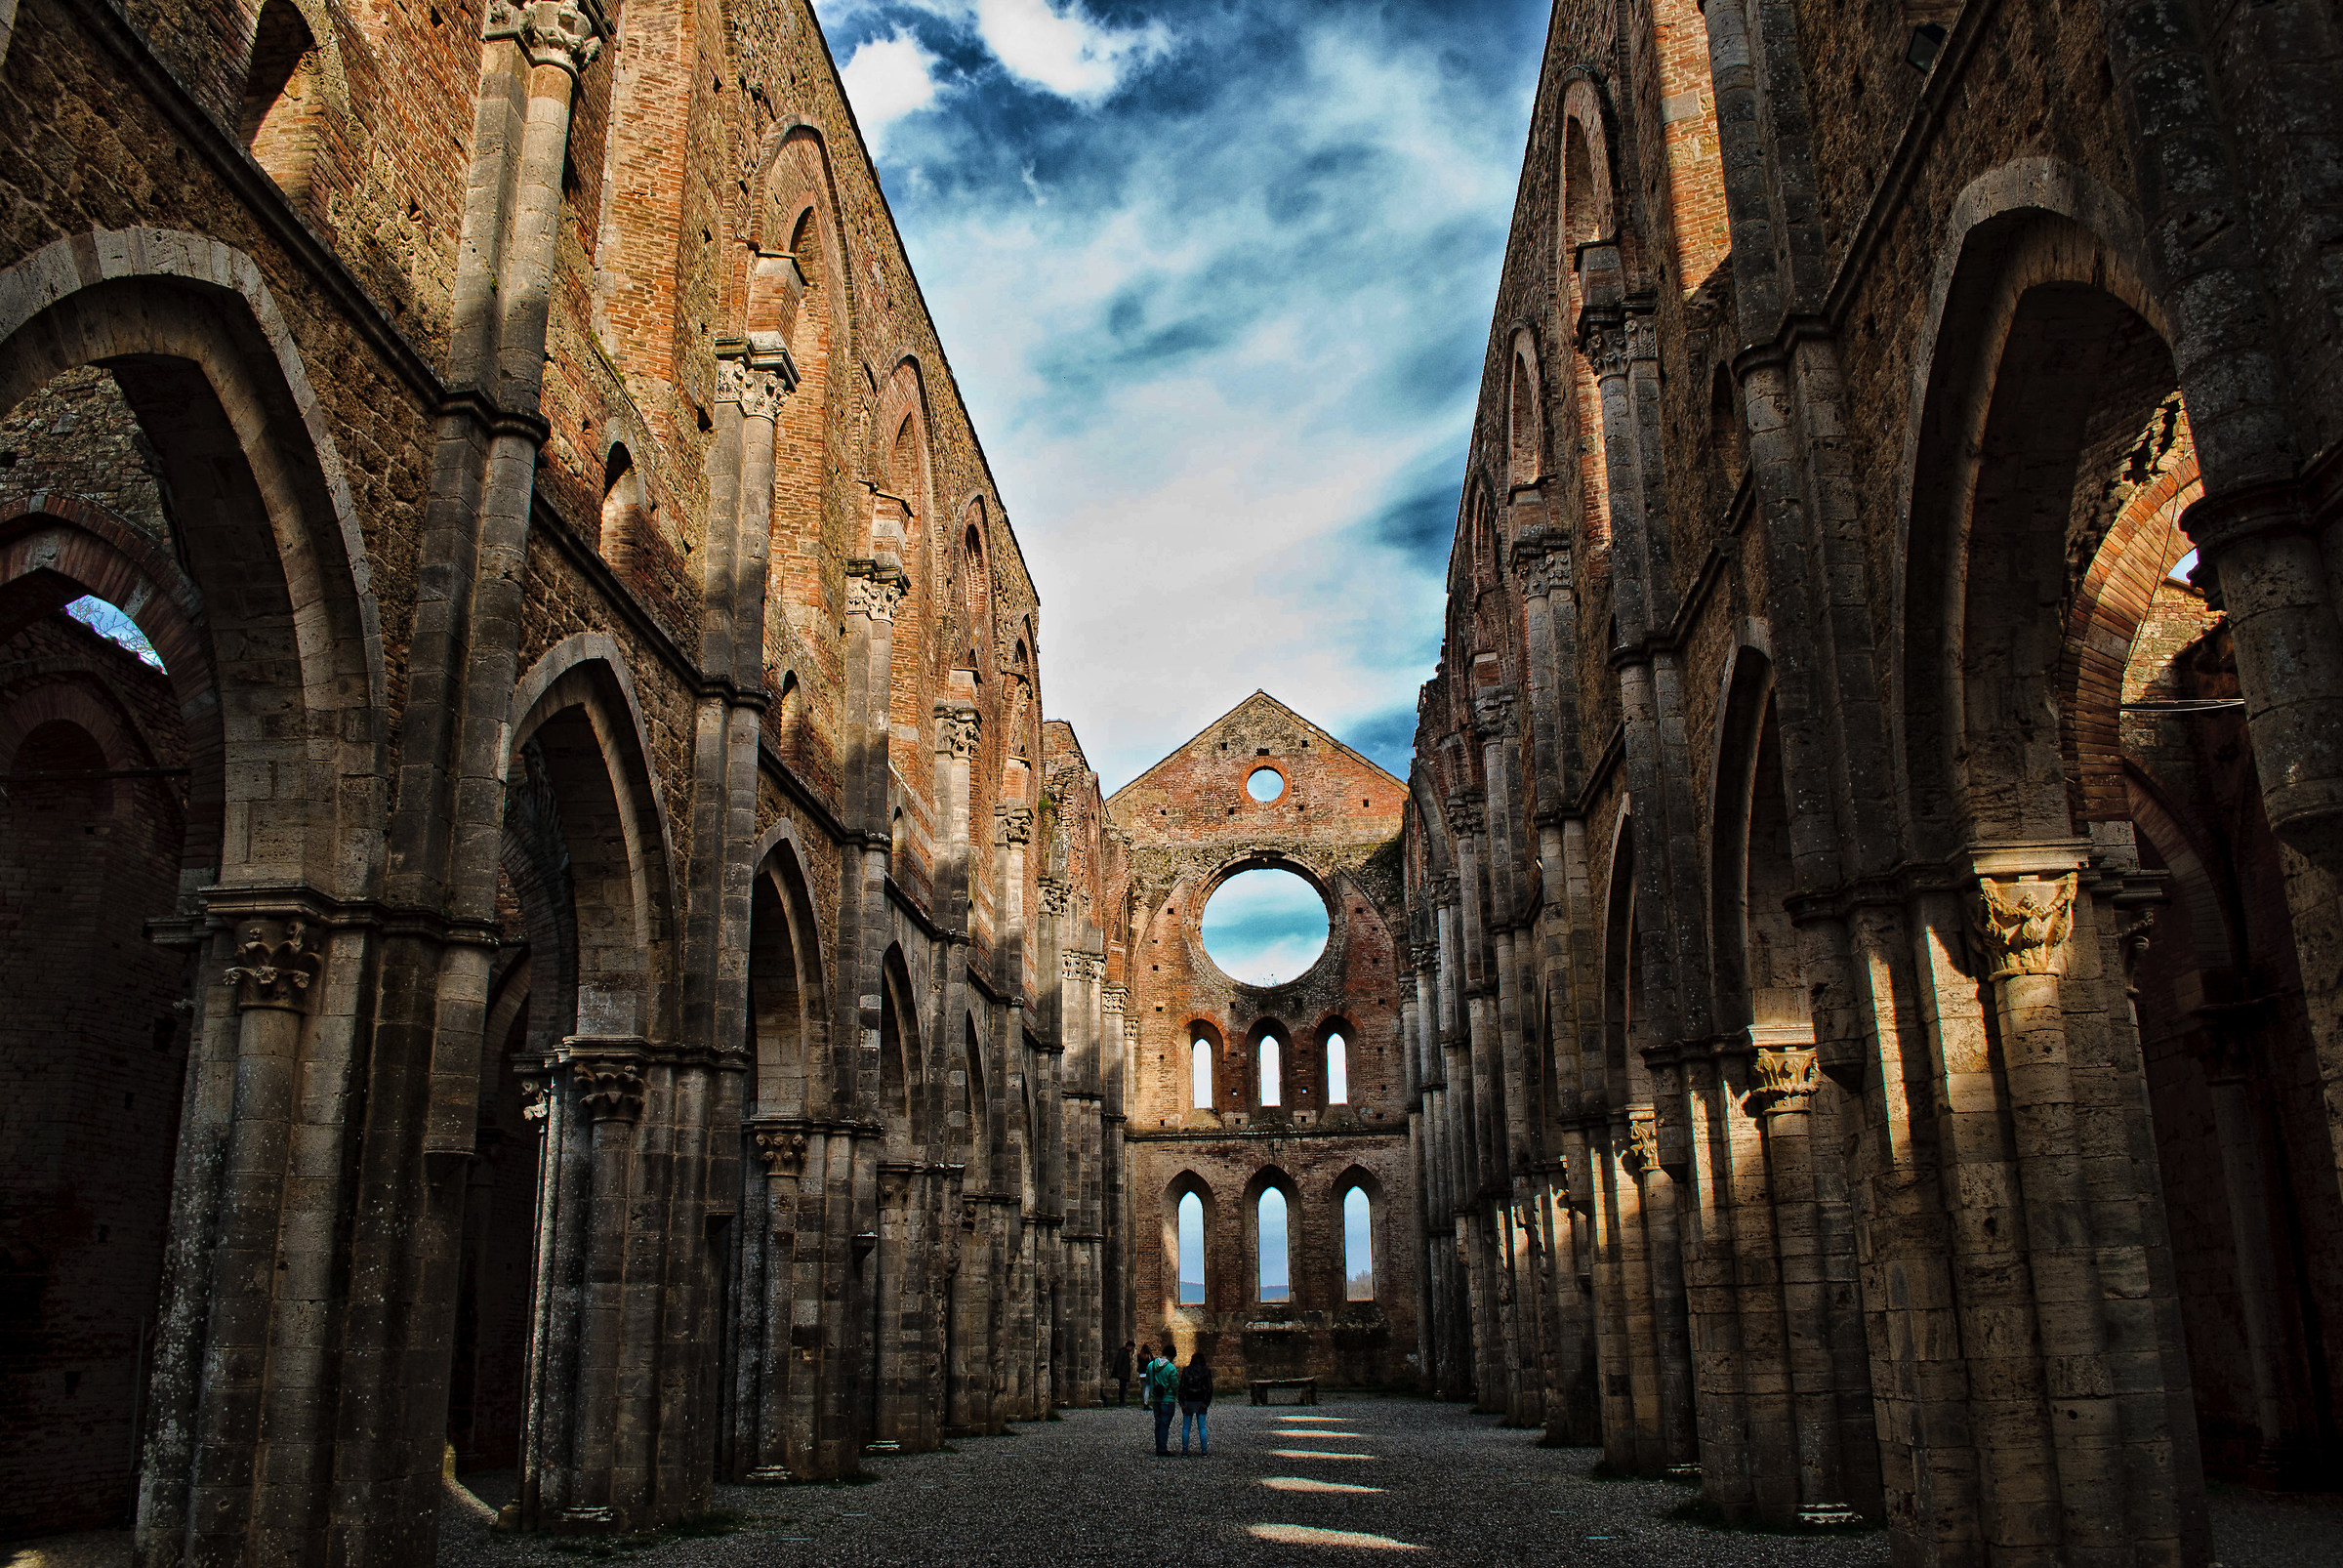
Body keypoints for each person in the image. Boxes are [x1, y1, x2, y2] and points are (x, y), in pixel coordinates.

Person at [1177, 1348, 1213, 1456]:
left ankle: (1184, 1451)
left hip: (1188, 1400)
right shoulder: (1206, 1371)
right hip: (1201, 1400)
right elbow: (1209, 1388)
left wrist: (1182, 1402)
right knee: (1202, 1427)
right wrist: (1206, 1403)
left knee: (1186, 1428)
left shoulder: (1186, 1370)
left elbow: (1182, 1387)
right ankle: (1204, 1451)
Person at [1147, 1343, 1181, 1454]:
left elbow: (1148, 1381)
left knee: (1158, 1423)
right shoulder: (1171, 1368)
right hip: (1168, 1399)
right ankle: (1162, 1448)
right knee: (1165, 1424)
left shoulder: (1151, 1365)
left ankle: (1158, 1447)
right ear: (1172, 1356)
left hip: (1156, 1399)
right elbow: (1175, 1385)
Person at [1111, 1341, 1134, 1406]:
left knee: (1123, 1388)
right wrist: (1119, 1373)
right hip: (1122, 1374)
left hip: (1124, 1374)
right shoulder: (1122, 1352)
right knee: (1122, 1388)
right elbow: (1119, 1362)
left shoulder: (1125, 1352)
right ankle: (1121, 1401)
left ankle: (1122, 1401)